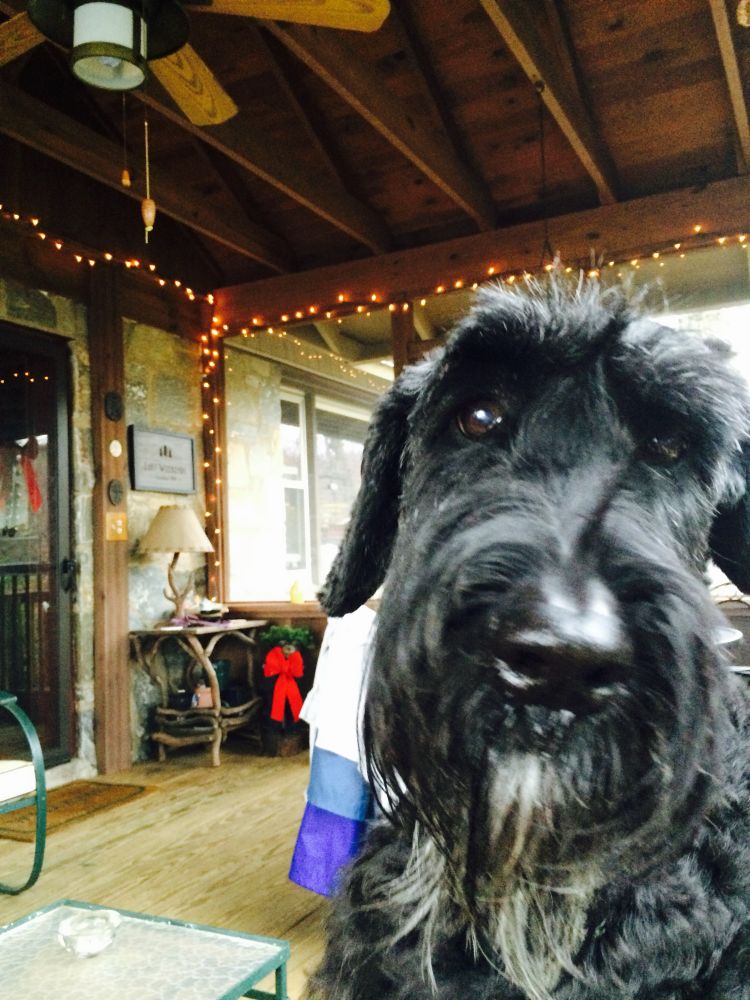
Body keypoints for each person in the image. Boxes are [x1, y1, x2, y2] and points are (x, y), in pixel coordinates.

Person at [288, 604, 376, 897]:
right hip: (346, 695)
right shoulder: (352, 623)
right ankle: (342, 888)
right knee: (339, 791)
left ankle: (377, 886)